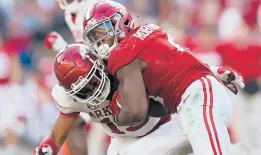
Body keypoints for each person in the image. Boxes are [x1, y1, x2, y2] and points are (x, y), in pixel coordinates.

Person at [82, 1, 245, 154]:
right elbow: (178, 56)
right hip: (189, 106)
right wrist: (213, 70)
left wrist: (114, 115)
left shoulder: (122, 55)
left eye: (103, 32)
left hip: (199, 99)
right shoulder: (149, 30)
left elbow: (135, 113)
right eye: (95, 36)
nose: (100, 41)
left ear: (121, 23)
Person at [33, 43, 242, 155]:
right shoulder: (69, 98)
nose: (93, 90)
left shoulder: (121, 66)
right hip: (123, 141)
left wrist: (211, 71)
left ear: (100, 65)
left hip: (165, 126)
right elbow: (57, 134)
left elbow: (175, 59)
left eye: (93, 81)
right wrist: (46, 147)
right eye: (84, 90)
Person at [44, 1, 110, 154]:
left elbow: (104, 44)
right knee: (74, 120)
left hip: (106, 70)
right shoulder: (70, 13)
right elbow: (82, 51)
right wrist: (62, 47)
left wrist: (61, 47)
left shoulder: (93, 6)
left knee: (100, 122)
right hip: (91, 71)